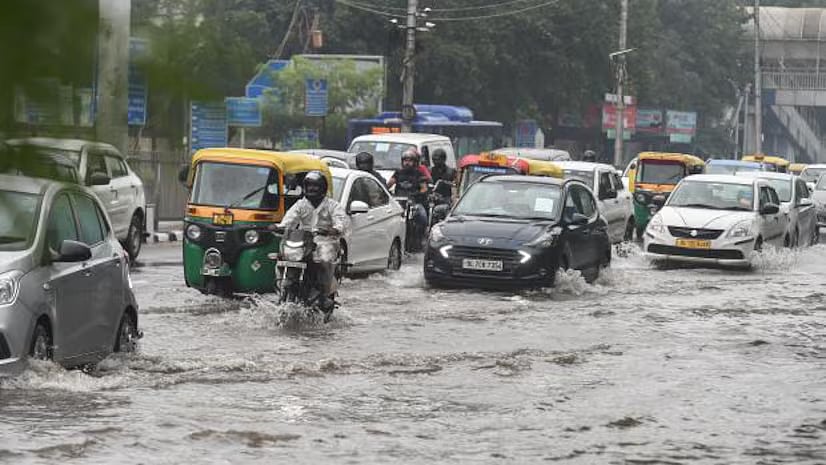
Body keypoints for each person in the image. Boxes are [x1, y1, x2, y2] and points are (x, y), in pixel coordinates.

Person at [270, 171, 350, 314]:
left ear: (323, 188)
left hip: (325, 243)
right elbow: (289, 221)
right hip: (303, 243)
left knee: (325, 258)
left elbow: (341, 223)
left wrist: (332, 229)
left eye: (315, 186)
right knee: (281, 256)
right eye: (309, 186)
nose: (311, 189)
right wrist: (278, 227)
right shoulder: (300, 205)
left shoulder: (332, 205)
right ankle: (282, 287)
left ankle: (324, 294)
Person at [386, 149, 429, 248]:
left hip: (414, 203)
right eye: (405, 160)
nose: (407, 163)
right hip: (399, 203)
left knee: (423, 217)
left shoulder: (419, 174)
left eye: (410, 160)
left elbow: (424, 188)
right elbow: (388, 184)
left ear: (414, 162)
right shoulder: (398, 173)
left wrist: (417, 194)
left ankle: (420, 238)